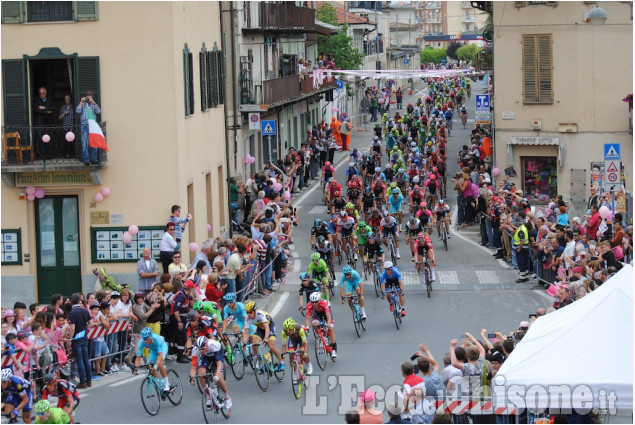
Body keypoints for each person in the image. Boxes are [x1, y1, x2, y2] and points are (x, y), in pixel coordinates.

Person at [192, 336, 232, 409]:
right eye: (199, 349)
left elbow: (219, 364)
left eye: (203, 349)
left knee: (219, 378)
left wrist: (216, 375)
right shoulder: (195, 350)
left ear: (207, 344)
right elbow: (193, 367)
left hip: (217, 356)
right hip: (206, 357)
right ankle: (209, 395)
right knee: (201, 374)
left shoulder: (214, 345)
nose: (201, 351)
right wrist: (192, 378)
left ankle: (227, 397)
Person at [244, 302, 284, 370]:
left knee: (271, 346)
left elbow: (266, 327)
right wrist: (244, 344)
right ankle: (257, 359)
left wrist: (265, 339)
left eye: (250, 312)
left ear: (254, 311)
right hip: (260, 329)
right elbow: (246, 332)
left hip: (269, 327)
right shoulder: (247, 319)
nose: (249, 314)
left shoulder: (260, 314)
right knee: (254, 343)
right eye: (247, 312)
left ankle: (281, 362)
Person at [67, 293, 93, 389]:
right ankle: (89, 380)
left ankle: (83, 382)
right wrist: (85, 329)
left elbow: (72, 328)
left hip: (76, 339)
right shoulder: (85, 310)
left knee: (80, 360)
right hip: (84, 336)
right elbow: (91, 323)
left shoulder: (72, 313)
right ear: (79, 301)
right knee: (86, 359)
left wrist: (70, 339)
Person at [133, 327, 171, 393]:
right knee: (151, 369)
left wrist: (156, 366)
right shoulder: (141, 342)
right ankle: (162, 384)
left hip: (162, 348)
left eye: (147, 339)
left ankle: (167, 385)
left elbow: (160, 356)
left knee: (159, 364)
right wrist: (136, 368)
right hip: (153, 351)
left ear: (151, 337)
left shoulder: (157, 339)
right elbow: (138, 358)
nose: (146, 341)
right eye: (144, 339)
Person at [304, 292, 337, 360]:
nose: (314, 304)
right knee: (315, 324)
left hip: (326, 313)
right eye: (313, 302)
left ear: (319, 300)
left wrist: (327, 326)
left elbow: (328, 317)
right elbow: (308, 318)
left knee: (330, 328)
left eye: (316, 302)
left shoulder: (324, 303)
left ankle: (333, 349)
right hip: (317, 314)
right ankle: (320, 338)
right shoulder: (309, 305)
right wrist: (307, 328)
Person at [75, 90, 101, 165]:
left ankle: (93, 159)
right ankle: (86, 160)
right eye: (87, 97)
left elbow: (99, 111)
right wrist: (81, 101)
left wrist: (93, 102)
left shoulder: (93, 104)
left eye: (90, 97)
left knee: (94, 144)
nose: (88, 99)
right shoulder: (83, 104)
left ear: (92, 97)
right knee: (84, 144)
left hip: (92, 125)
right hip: (84, 125)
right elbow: (78, 111)